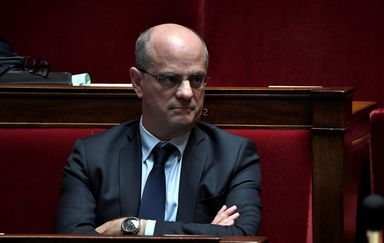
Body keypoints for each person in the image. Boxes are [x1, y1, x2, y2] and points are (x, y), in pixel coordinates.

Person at [55, 23, 262, 236]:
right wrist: (206, 233)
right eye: (170, 79)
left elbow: (242, 236)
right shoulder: (92, 155)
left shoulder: (234, 155)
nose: (187, 93)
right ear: (137, 82)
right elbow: (73, 238)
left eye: (196, 79)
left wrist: (135, 227)